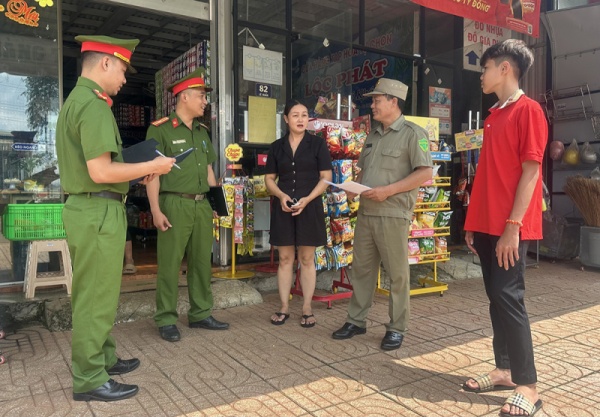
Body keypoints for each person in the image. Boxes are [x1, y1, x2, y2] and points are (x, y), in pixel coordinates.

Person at [56, 35, 175, 402]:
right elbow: (100, 171)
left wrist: (138, 172)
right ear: (105, 62)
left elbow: (101, 168)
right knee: (96, 297)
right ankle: (90, 378)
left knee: (98, 292)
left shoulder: (78, 102)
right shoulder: (93, 106)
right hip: (97, 209)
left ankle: (103, 358)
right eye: (122, 69)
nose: (124, 79)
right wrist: (153, 165)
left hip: (91, 208)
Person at [462, 39, 545, 417]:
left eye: (486, 68)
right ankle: (505, 369)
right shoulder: (495, 115)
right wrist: (472, 222)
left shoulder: (529, 111)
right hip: (487, 224)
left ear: (505, 69)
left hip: (512, 225)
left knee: (509, 298)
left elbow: (531, 173)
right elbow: (487, 177)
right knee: (496, 298)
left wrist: (513, 226)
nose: (482, 75)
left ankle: (528, 384)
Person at [331, 78, 433, 351]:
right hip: (367, 213)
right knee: (362, 270)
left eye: (377, 100)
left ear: (393, 101)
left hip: (393, 214)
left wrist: (388, 191)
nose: (372, 105)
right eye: (373, 100)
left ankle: (397, 328)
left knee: (397, 275)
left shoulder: (414, 134)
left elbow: (424, 173)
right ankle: (356, 320)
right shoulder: (372, 135)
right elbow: (364, 171)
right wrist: (354, 189)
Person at [146, 67, 229, 342]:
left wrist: (216, 204)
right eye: (201, 97)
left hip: (201, 205)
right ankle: (166, 318)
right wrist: (156, 210)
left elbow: (208, 171)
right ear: (184, 97)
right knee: (169, 264)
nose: (205, 102)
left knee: (201, 263)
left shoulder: (202, 132)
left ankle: (201, 313)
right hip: (174, 204)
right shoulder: (160, 131)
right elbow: (152, 175)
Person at [265, 100, 332, 327]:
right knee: (285, 259)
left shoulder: (317, 144)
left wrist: (308, 199)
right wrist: (281, 196)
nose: (301, 119)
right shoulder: (276, 146)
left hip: (309, 205)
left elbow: (326, 177)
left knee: (306, 259)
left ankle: (306, 308)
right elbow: (268, 179)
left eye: (304, 115)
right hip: (284, 207)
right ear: (286, 119)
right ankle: (284, 307)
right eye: (295, 115)